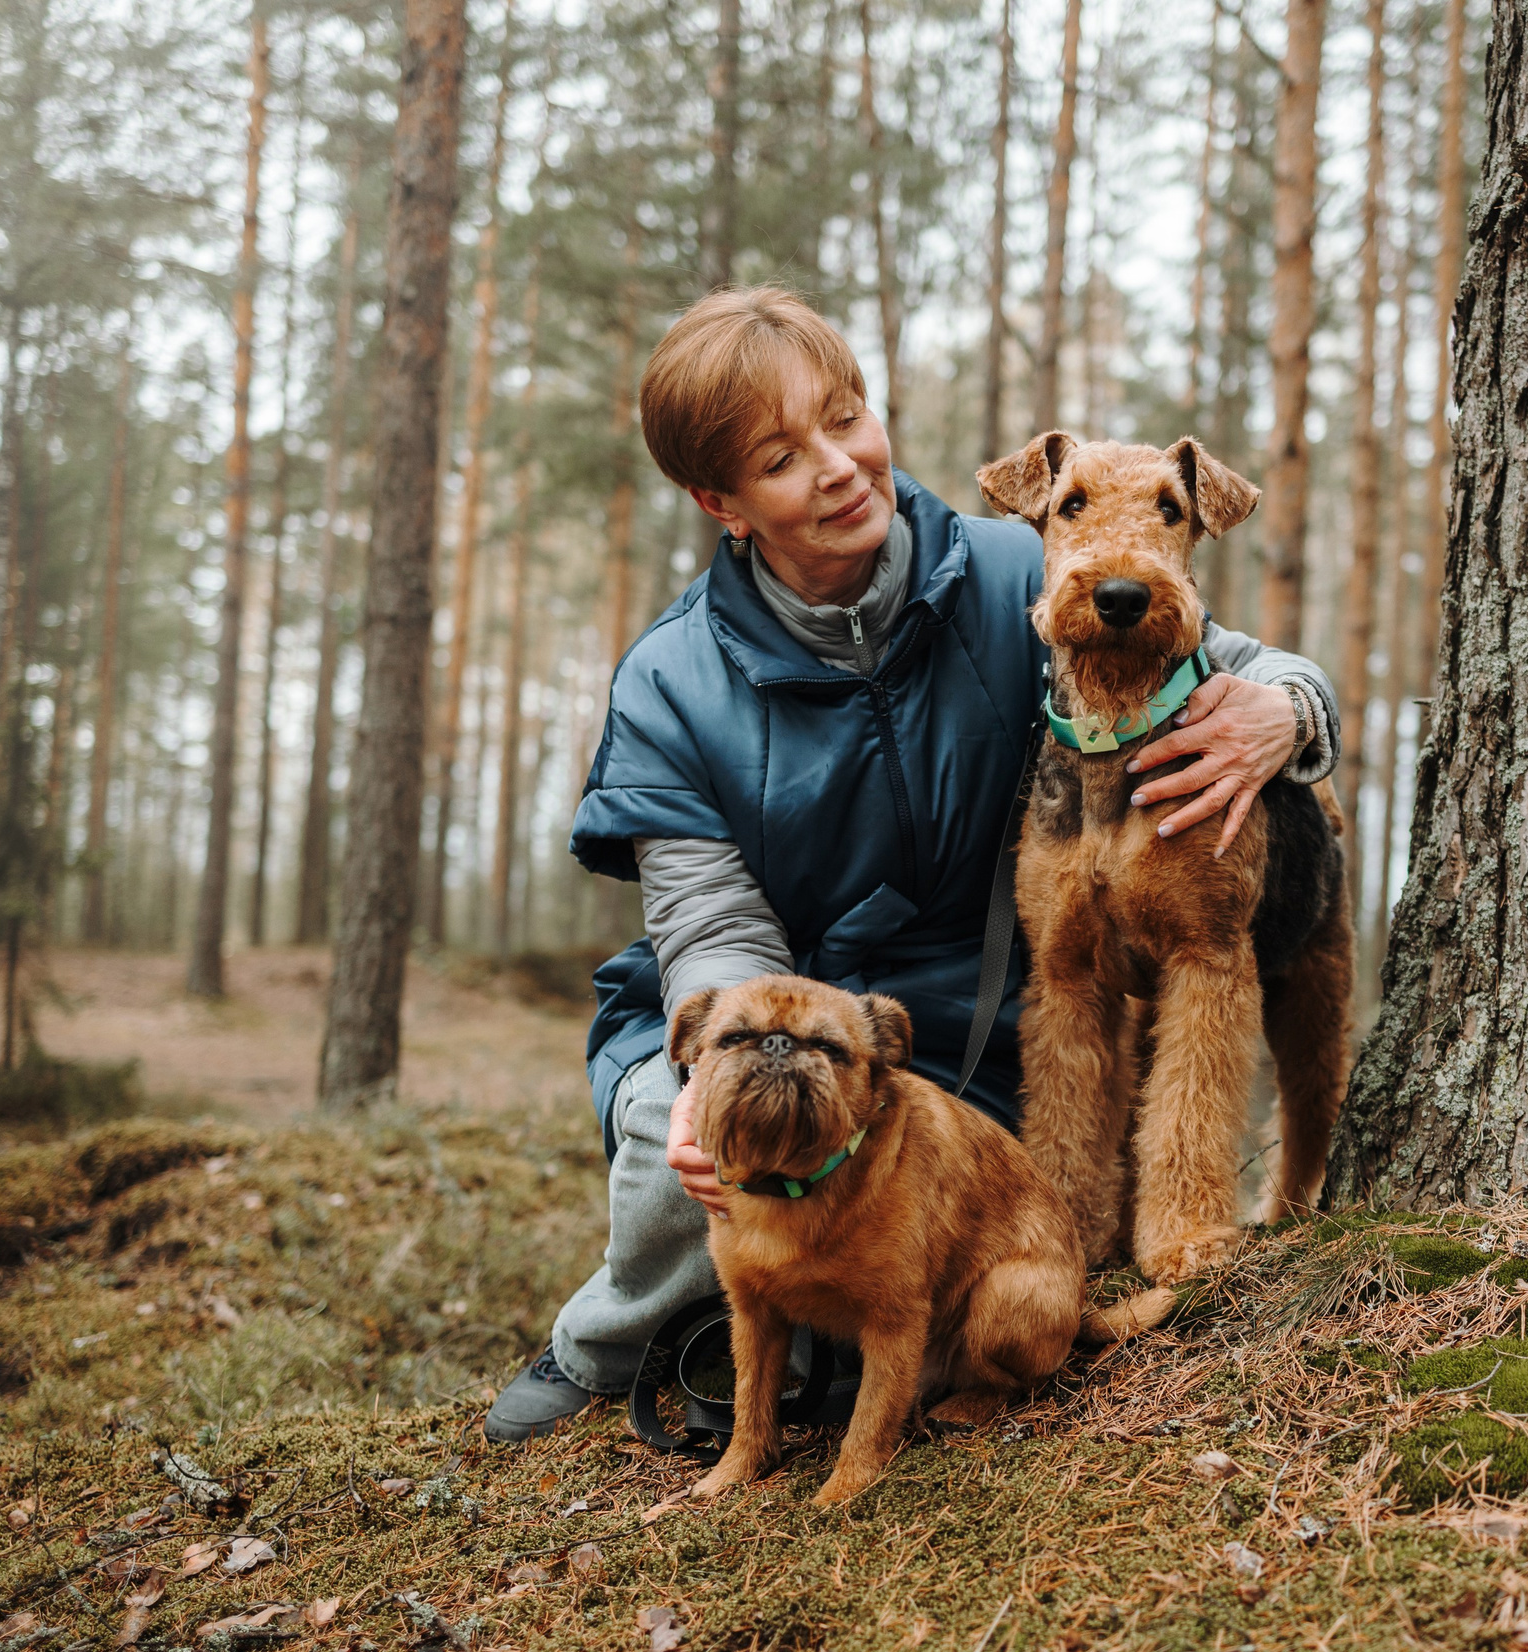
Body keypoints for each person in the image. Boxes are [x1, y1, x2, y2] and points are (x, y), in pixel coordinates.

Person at [485, 286, 1338, 1442]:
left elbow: (1244, 658)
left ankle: (854, 1357)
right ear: (721, 503)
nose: (839, 468)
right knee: (677, 1128)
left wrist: (1288, 713)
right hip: (758, 1008)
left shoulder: (1011, 571)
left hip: (963, 1029)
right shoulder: (668, 680)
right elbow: (707, 921)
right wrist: (716, 1057)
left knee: (984, 1224)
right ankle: (612, 1337)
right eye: (784, 458)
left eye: (847, 419)